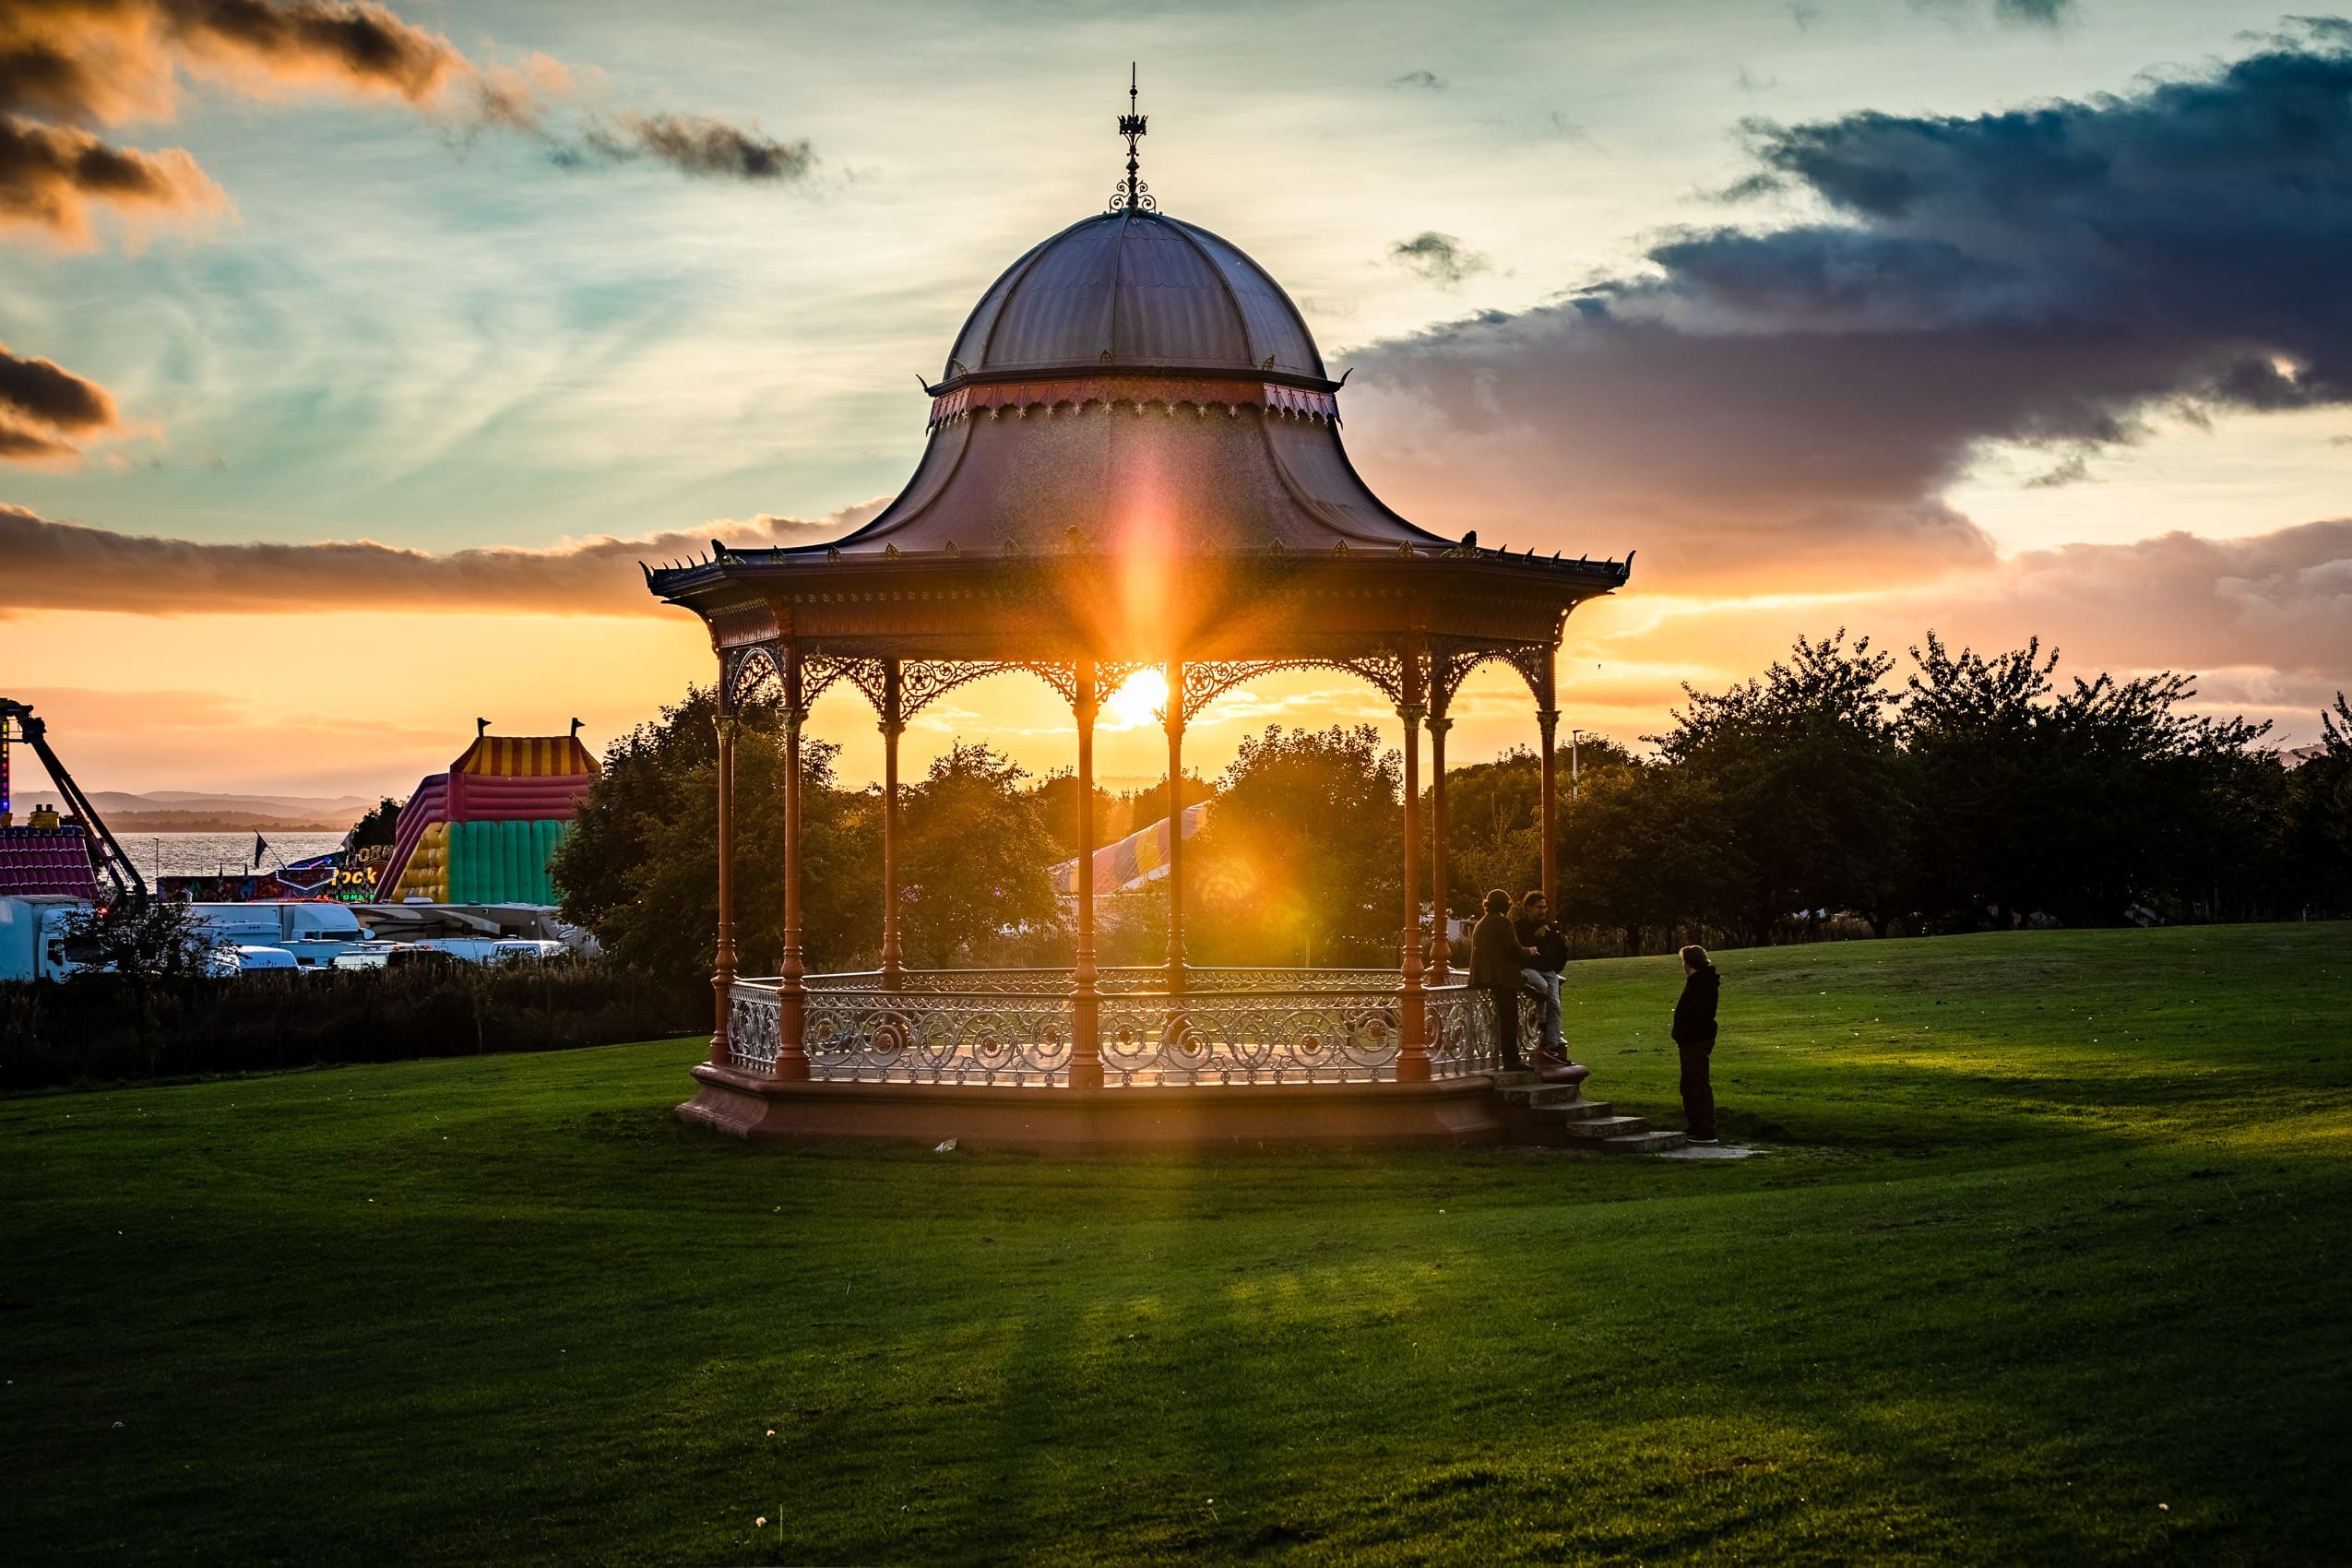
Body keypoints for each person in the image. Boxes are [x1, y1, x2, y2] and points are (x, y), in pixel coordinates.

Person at [1467, 889, 1538, 1070]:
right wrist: (1529, 951)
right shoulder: (1503, 922)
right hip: (1501, 980)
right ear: (1505, 906)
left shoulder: (1481, 924)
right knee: (1510, 1019)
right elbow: (1513, 949)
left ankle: (1502, 1055)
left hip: (1485, 977)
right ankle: (1511, 1059)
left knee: (1501, 1018)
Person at [1670, 944, 1721, 1145]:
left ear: (1689, 964)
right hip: (1691, 1039)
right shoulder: (1701, 982)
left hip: (1695, 1040)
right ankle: (1696, 1126)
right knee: (1690, 1084)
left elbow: (1697, 1015)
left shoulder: (1700, 984)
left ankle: (1706, 1129)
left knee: (1697, 1083)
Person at [1514, 891, 1571, 1063]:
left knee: (1555, 1003)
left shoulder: (1550, 928)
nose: (1543, 911)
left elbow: (1562, 950)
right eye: (1539, 907)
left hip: (1548, 970)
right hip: (1529, 969)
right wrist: (1535, 938)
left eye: (1545, 907)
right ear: (1528, 908)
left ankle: (1552, 1043)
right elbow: (1516, 949)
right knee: (1543, 988)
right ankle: (1542, 1021)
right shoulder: (1518, 927)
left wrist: (1555, 968)